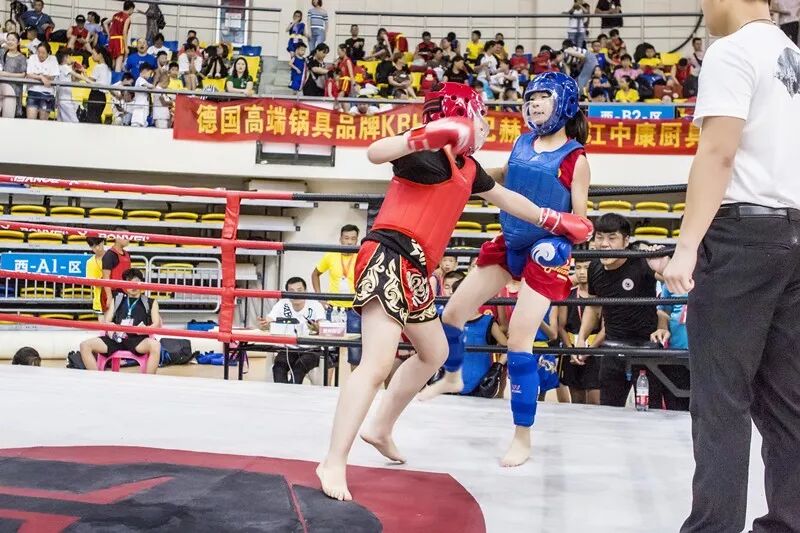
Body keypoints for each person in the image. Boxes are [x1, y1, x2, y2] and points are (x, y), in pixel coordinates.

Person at [316, 82, 594, 501]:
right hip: (387, 257)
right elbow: (375, 152)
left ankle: (381, 427)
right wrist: (424, 136)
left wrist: (555, 220)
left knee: (435, 352)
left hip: (416, 270)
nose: (484, 126)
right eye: (479, 117)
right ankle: (334, 461)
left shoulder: (468, 166)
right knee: (375, 365)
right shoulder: (429, 154)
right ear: (461, 118)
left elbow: (509, 199)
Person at [661, 1, 800, 530]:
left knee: (722, 398)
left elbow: (718, 152)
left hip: (742, 236)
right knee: (788, 401)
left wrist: (687, 245)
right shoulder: (792, 54)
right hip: (793, 231)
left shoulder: (732, 51)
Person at [416, 72, 593, 467]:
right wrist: (459, 169)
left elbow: (582, 223)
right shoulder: (521, 142)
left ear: (563, 103)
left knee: (519, 342)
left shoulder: (576, 158)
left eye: (543, 97)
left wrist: (556, 228)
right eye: (531, 97)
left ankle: (522, 436)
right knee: (453, 313)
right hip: (510, 240)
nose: (535, 104)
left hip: (546, 250)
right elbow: (503, 175)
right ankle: (453, 375)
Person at [575, 214, 674, 409]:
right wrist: (581, 338)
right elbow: (593, 306)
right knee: (608, 410)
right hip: (612, 348)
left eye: (612, 238)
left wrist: (664, 267)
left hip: (646, 349)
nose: (604, 244)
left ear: (626, 241)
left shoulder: (641, 261)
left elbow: (677, 284)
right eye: (599, 237)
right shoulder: (595, 267)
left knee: (650, 412)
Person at [78, 268, 161, 374]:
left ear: (142, 283)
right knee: (84, 345)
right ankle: (97, 378)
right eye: (129, 283)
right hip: (116, 339)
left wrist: (145, 329)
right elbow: (107, 321)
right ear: (125, 285)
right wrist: (111, 327)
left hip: (138, 340)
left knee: (155, 345)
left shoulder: (151, 302)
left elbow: (156, 324)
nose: (133, 286)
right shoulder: (117, 299)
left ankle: (148, 380)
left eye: (136, 282)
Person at [258, 277, 326, 384]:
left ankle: (291, 394)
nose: (296, 294)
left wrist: (317, 328)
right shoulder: (282, 304)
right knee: (278, 368)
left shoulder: (315, 305)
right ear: (287, 293)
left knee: (298, 369)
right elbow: (268, 322)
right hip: (288, 349)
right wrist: (264, 324)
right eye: (292, 291)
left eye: (299, 290)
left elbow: (324, 328)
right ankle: (283, 394)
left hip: (311, 350)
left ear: (306, 291)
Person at [311, 225, 361, 367]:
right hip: (333, 309)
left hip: (355, 310)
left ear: (357, 240)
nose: (349, 242)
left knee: (356, 353)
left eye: (353, 239)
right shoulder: (331, 255)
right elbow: (315, 274)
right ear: (340, 239)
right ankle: (328, 382)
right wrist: (320, 298)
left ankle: (355, 382)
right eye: (346, 238)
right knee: (330, 353)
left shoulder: (361, 255)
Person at [558, 259, 604, 404]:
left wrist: (590, 350)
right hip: (572, 350)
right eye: (578, 268)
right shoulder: (568, 294)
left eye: (586, 268)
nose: (582, 272)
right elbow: (561, 326)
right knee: (576, 401)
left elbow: (606, 328)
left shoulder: (602, 295)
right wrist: (571, 350)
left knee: (595, 402)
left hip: (596, 351)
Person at [25, 41, 58, 121]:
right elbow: (29, 74)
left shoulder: (53, 59)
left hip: (47, 94)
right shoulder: (32, 57)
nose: (40, 55)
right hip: (33, 91)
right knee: (30, 121)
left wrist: (36, 75)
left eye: (43, 53)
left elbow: (52, 77)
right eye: (39, 52)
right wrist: (41, 77)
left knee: (43, 123)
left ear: (48, 53)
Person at [101, 232, 131, 314]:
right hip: (113, 293)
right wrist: (109, 296)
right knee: (111, 319)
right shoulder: (109, 255)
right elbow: (105, 277)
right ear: (117, 237)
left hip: (125, 292)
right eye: (125, 237)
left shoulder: (127, 254)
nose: (128, 239)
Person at [0, 32, 27, 118]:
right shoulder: (2, 53)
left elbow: (23, 74)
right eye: (8, 39)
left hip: (15, 90)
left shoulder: (21, 57)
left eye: (13, 40)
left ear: (18, 42)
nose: (10, 42)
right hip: (1, 89)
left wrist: (6, 74)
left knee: (10, 117)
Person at [109, 1, 135, 72]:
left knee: (112, 63)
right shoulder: (127, 18)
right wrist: (126, 47)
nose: (132, 12)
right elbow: (124, 32)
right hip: (119, 40)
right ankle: (117, 78)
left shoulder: (115, 15)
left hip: (112, 40)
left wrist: (109, 35)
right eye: (133, 10)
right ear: (131, 8)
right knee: (119, 63)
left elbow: (105, 23)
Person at [85, 237, 106, 320]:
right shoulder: (90, 262)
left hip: (116, 299)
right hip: (100, 302)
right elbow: (91, 281)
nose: (97, 248)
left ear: (103, 242)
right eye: (93, 246)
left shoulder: (113, 257)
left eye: (98, 244)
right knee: (103, 327)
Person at [130, 62, 153, 127]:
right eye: (150, 73)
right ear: (145, 71)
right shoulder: (140, 79)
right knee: (136, 123)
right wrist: (152, 86)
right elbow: (147, 85)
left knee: (143, 123)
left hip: (144, 106)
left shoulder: (144, 80)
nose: (150, 76)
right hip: (139, 106)